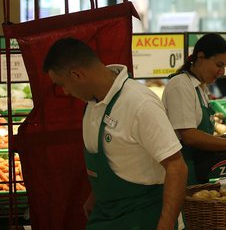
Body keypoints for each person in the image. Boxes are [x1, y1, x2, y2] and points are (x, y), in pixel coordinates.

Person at [43, 38, 186, 230]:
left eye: (62, 84)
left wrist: (166, 223)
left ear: (77, 75)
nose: (65, 92)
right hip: (106, 213)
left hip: (145, 215)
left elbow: (177, 167)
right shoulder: (92, 103)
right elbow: (116, 158)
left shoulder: (140, 104)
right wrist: (95, 196)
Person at [162, 33, 226, 185]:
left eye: (225, 66)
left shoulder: (201, 88)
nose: (222, 72)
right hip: (182, 173)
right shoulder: (180, 85)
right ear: (201, 57)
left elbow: (199, 135)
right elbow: (189, 136)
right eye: (219, 65)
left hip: (197, 169)